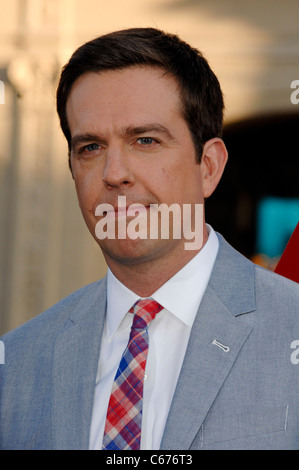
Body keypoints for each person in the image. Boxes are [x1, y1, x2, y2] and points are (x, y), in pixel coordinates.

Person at [0, 27, 298, 451]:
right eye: (90, 147)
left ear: (208, 167)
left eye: (145, 140)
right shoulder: (16, 364)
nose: (114, 172)